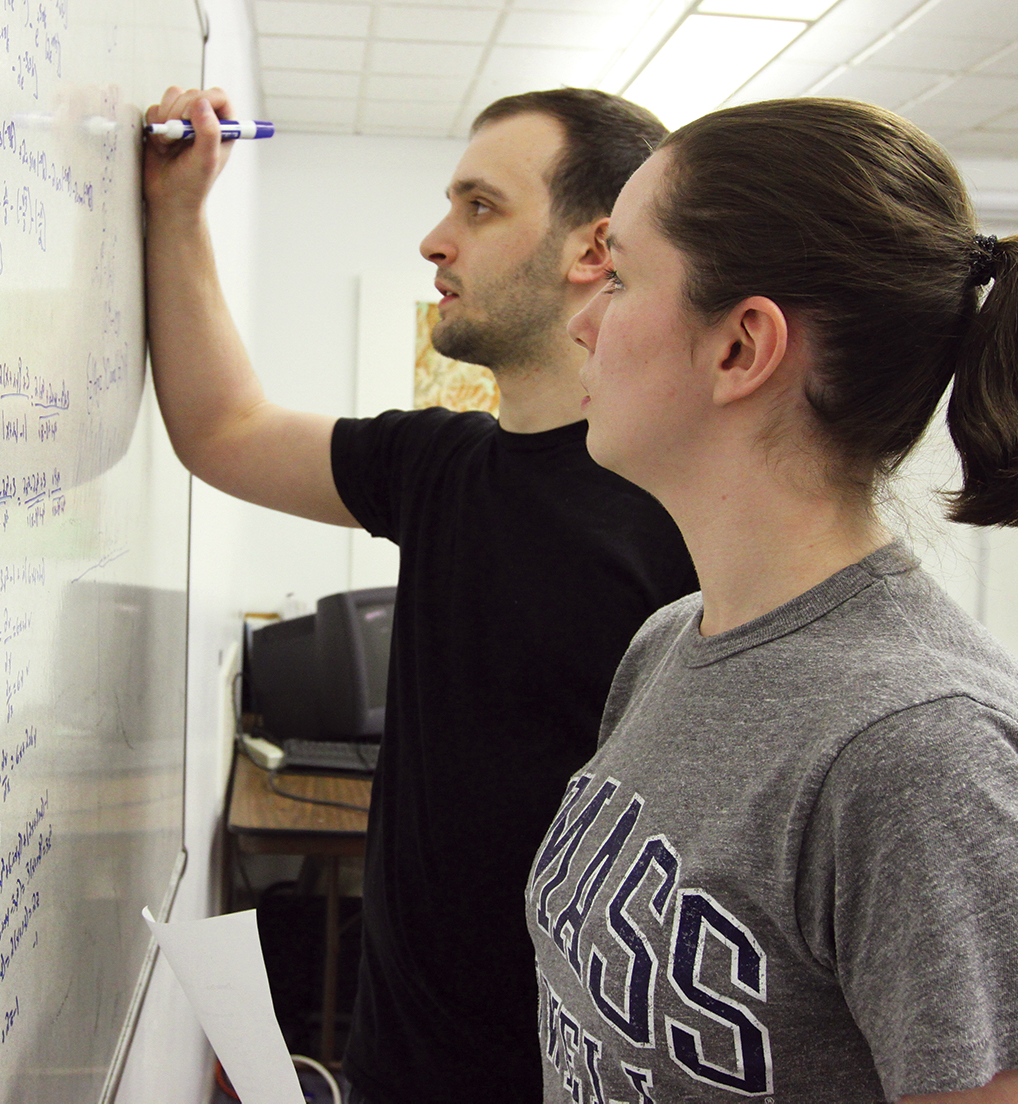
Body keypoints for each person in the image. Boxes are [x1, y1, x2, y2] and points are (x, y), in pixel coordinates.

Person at [528, 97, 1018, 1103]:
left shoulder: (924, 753)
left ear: (739, 349)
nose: (581, 320)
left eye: (619, 277)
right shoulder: (670, 642)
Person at [143, 87, 698, 1101]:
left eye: (479, 208)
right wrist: (177, 213)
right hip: (400, 1067)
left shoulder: (684, 515)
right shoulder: (438, 466)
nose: (434, 241)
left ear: (593, 249)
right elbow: (221, 430)